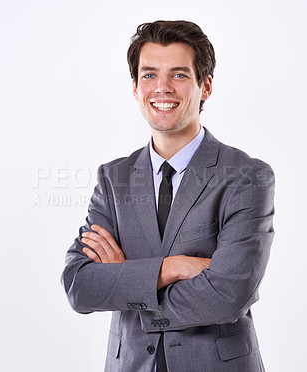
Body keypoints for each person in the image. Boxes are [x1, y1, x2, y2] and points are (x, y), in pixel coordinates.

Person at [61, 20, 275, 372]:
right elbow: (79, 286)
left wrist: (126, 279)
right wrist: (170, 268)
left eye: (178, 75)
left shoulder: (247, 176)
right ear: (134, 87)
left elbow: (228, 295)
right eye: (148, 75)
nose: (161, 88)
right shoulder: (114, 178)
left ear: (205, 86)